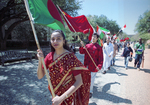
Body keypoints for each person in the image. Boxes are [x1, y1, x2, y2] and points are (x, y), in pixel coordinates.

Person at [37, 30, 91, 105]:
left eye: (58, 38)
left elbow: (79, 81)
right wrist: (40, 60)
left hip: (67, 95)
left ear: (64, 41)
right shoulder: (49, 56)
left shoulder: (70, 57)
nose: (55, 41)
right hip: (54, 93)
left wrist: (61, 98)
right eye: (53, 39)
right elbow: (40, 76)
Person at [79, 33, 103, 98]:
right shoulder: (87, 46)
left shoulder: (99, 47)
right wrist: (81, 46)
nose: (93, 38)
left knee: (91, 80)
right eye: (92, 36)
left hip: (94, 66)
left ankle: (90, 91)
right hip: (86, 65)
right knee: (85, 78)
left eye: (95, 37)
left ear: (97, 39)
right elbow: (81, 52)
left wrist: (99, 66)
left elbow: (101, 58)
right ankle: (85, 89)